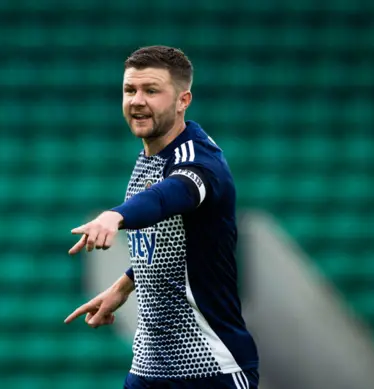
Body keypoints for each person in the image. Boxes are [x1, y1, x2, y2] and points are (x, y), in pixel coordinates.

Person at [64, 45, 260, 389]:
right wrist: (124, 286)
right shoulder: (152, 154)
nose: (137, 100)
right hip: (149, 367)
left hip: (211, 368)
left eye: (151, 91)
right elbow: (174, 241)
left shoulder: (199, 161)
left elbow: (171, 196)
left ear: (183, 100)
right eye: (130, 90)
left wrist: (115, 216)